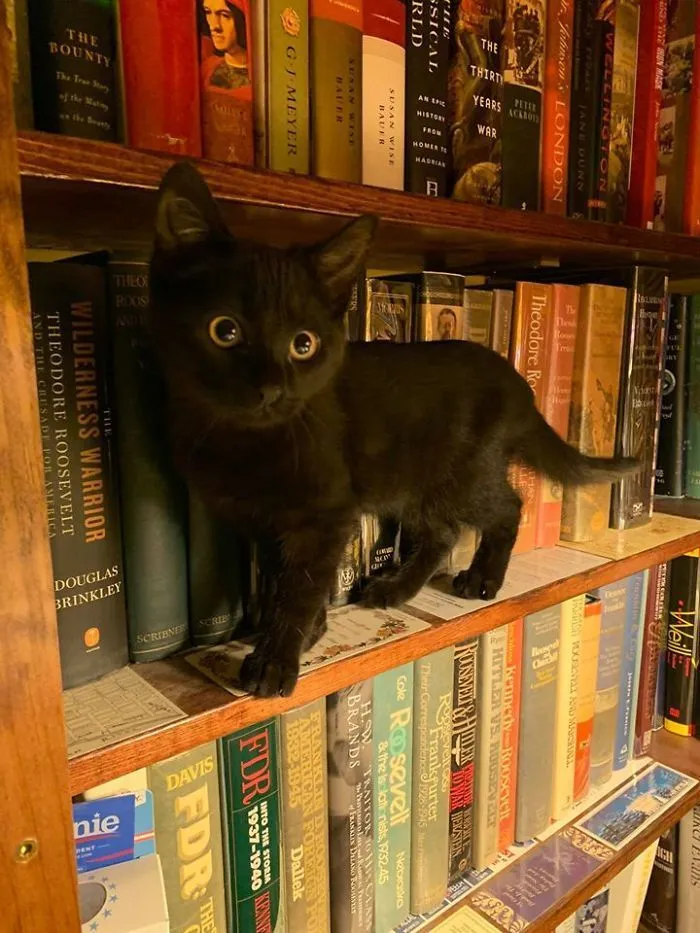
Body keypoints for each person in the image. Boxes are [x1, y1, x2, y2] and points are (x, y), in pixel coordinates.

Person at [200, 0, 250, 90]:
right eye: (208, 12)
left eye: (224, 15)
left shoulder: (264, 74)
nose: (214, 26)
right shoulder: (206, 69)